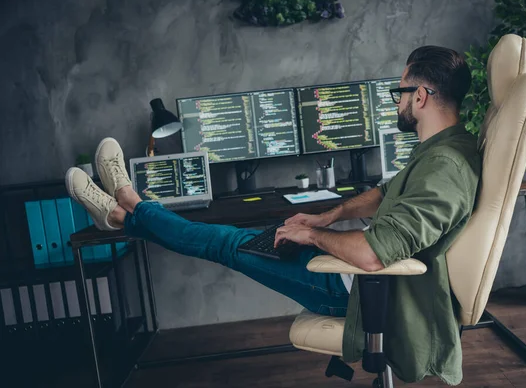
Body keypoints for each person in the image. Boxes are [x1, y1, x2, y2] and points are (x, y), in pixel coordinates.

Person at [65, 45, 480, 385]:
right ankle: (125, 213)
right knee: (247, 237)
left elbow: (375, 255)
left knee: (222, 241)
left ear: (420, 96)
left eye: (400, 93)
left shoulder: (444, 168)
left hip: (362, 293)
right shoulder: (440, 151)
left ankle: (128, 206)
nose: (397, 102)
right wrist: (325, 218)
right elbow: (384, 193)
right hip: (362, 280)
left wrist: (314, 238)